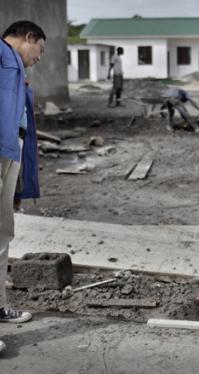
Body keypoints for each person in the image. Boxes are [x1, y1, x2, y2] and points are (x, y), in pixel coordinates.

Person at [0, 20, 45, 352]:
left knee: (3, 232)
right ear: (28, 37)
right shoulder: (2, 54)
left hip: (9, 151)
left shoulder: (15, 69)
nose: (40, 58)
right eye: (40, 49)